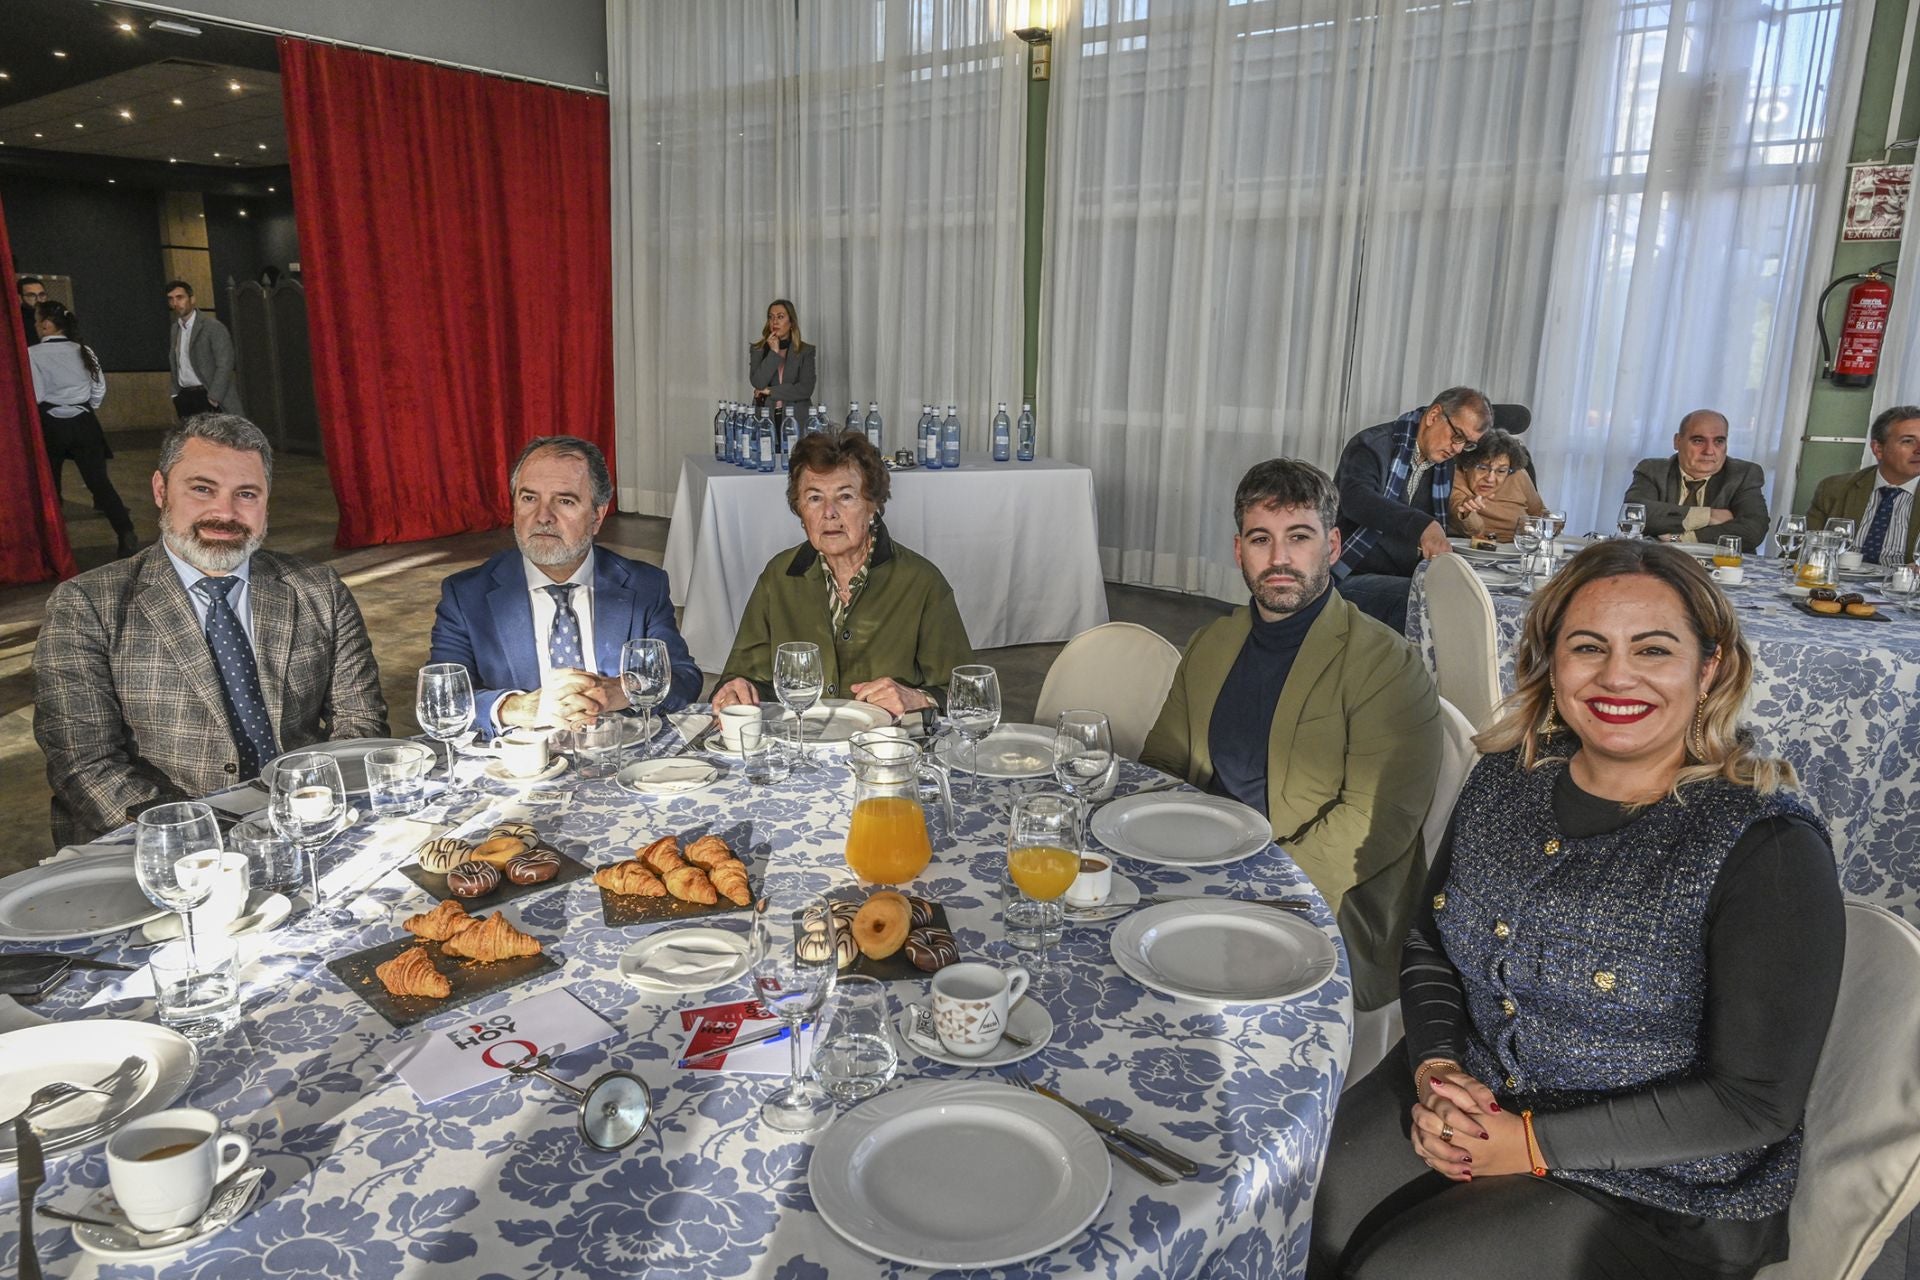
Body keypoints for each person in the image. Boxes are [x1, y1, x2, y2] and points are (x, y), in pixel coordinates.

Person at [1309, 539, 1842, 1280]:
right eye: (1588, 647)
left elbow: (1753, 1105)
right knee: (1303, 1201)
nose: (1616, 675)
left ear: (1709, 665)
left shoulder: (1765, 843)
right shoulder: (1507, 775)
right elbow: (1432, 943)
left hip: (1661, 1184)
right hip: (1478, 1088)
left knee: (1399, 1270)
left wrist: (1528, 1144)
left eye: (1653, 649)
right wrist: (1436, 1066)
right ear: (1549, 660)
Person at [1140, 459, 1441, 1011]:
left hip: (1319, 899)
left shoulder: (1385, 663)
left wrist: (1247, 887)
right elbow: (1163, 762)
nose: (1279, 559)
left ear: (1330, 545)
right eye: (1261, 539)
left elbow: (1376, 821)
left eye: (1297, 537)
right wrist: (1156, 857)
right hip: (1201, 873)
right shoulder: (1213, 643)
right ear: (1239, 552)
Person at [33, 414, 388, 845]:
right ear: (161, 490)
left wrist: (309, 815)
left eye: (246, 494)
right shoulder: (87, 604)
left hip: (306, 825)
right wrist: (209, 839)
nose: (225, 512)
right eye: (202, 489)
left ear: (266, 502)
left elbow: (361, 722)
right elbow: (84, 764)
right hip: (162, 843)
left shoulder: (318, 590)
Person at [430, 435, 701, 734]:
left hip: (616, 756)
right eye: (529, 498)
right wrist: (518, 707)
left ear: (597, 516)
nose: (543, 516)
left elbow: (684, 677)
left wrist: (622, 689)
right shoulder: (468, 596)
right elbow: (445, 698)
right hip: (521, 766)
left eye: (564, 501)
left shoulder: (644, 586)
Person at [712, 430, 973, 716]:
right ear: (800, 511)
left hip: (886, 750)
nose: (829, 513)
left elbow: (968, 695)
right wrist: (734, 690)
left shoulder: (922, 582)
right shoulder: (779, 577)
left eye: (845, 496)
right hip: (800, 746)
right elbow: (741, 678)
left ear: (873, 505)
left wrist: (919, 699)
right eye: (814, 498)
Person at [1332, 386, 1493, 633]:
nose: (1458, 448)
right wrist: (1422, 525)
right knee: (1440, 600)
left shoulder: (1441, 466)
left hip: (1404, 574)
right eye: (1458, 436)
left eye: (1467, 444)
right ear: (1433, 416)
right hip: (1350, 573)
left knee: (1471, 591)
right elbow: (1357, 501)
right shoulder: (1371, 445)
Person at [28, 302, 138, 557]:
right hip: (85, 422)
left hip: (51, 424)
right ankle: (125, 530)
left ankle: (55, 546)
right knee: (99, 483)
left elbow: (37, 393)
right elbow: (99, 387)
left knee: (51, 486)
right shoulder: (84, 350)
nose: (35, 326)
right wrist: (87, 407)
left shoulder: (32, 353)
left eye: (37, 321)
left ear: (46, 324)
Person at [1623, 409, 1771, 554]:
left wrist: (1681, 539)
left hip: (1723, 569)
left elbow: (1753, 529)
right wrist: (1708, 516)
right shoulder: (1652, 470)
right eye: (1698, 441)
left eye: (1719, 441)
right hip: (1657, 564)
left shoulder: (1743, 474)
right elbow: (1634, 513)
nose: (1709, 451)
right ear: (1677, 441)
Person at [1806, 404, 1920, 566]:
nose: (1919, 449)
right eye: (1908, 441)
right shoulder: (1834, 489)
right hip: (1837, 583)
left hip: (1905, 588)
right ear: (1878, 449)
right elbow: (1803, 551)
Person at [1448, 429, 1549, 543]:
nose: (1490, 479)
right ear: (1466, 465)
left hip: (1521, 548)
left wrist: (1552, 523)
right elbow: (1473, 530)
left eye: (1501, 471)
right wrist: (1468, 511)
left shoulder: (1518, 475)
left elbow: (1539, 513)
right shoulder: (1455, 476)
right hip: (1479, 552)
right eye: (1482, 468)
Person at [164, 280, 244, 419]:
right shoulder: (175, 329)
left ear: (192, 299)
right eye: (171, 299)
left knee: (215, 438)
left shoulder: (212, 327)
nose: (175, 303)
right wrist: (175, 393)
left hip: (207, 393)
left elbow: (225, 363)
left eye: (180, 297)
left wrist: (214, 396)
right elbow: (176, 362)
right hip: (185, 395)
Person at [747, 299, 816, 425]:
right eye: (771, 317)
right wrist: (773, 352)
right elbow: (758, 382)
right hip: (765, 416)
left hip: (796, 418)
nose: (775, 321)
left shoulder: (806, 351)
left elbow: (805, 389)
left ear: (791, 323)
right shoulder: (758, 349)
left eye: (780, 317)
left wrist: (770, 391)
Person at [18, 275, 45, 346]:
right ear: (19, 298)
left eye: (42, 295)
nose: (38, 299)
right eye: (32, 295)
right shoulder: (17, 321)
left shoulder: (54, 316)